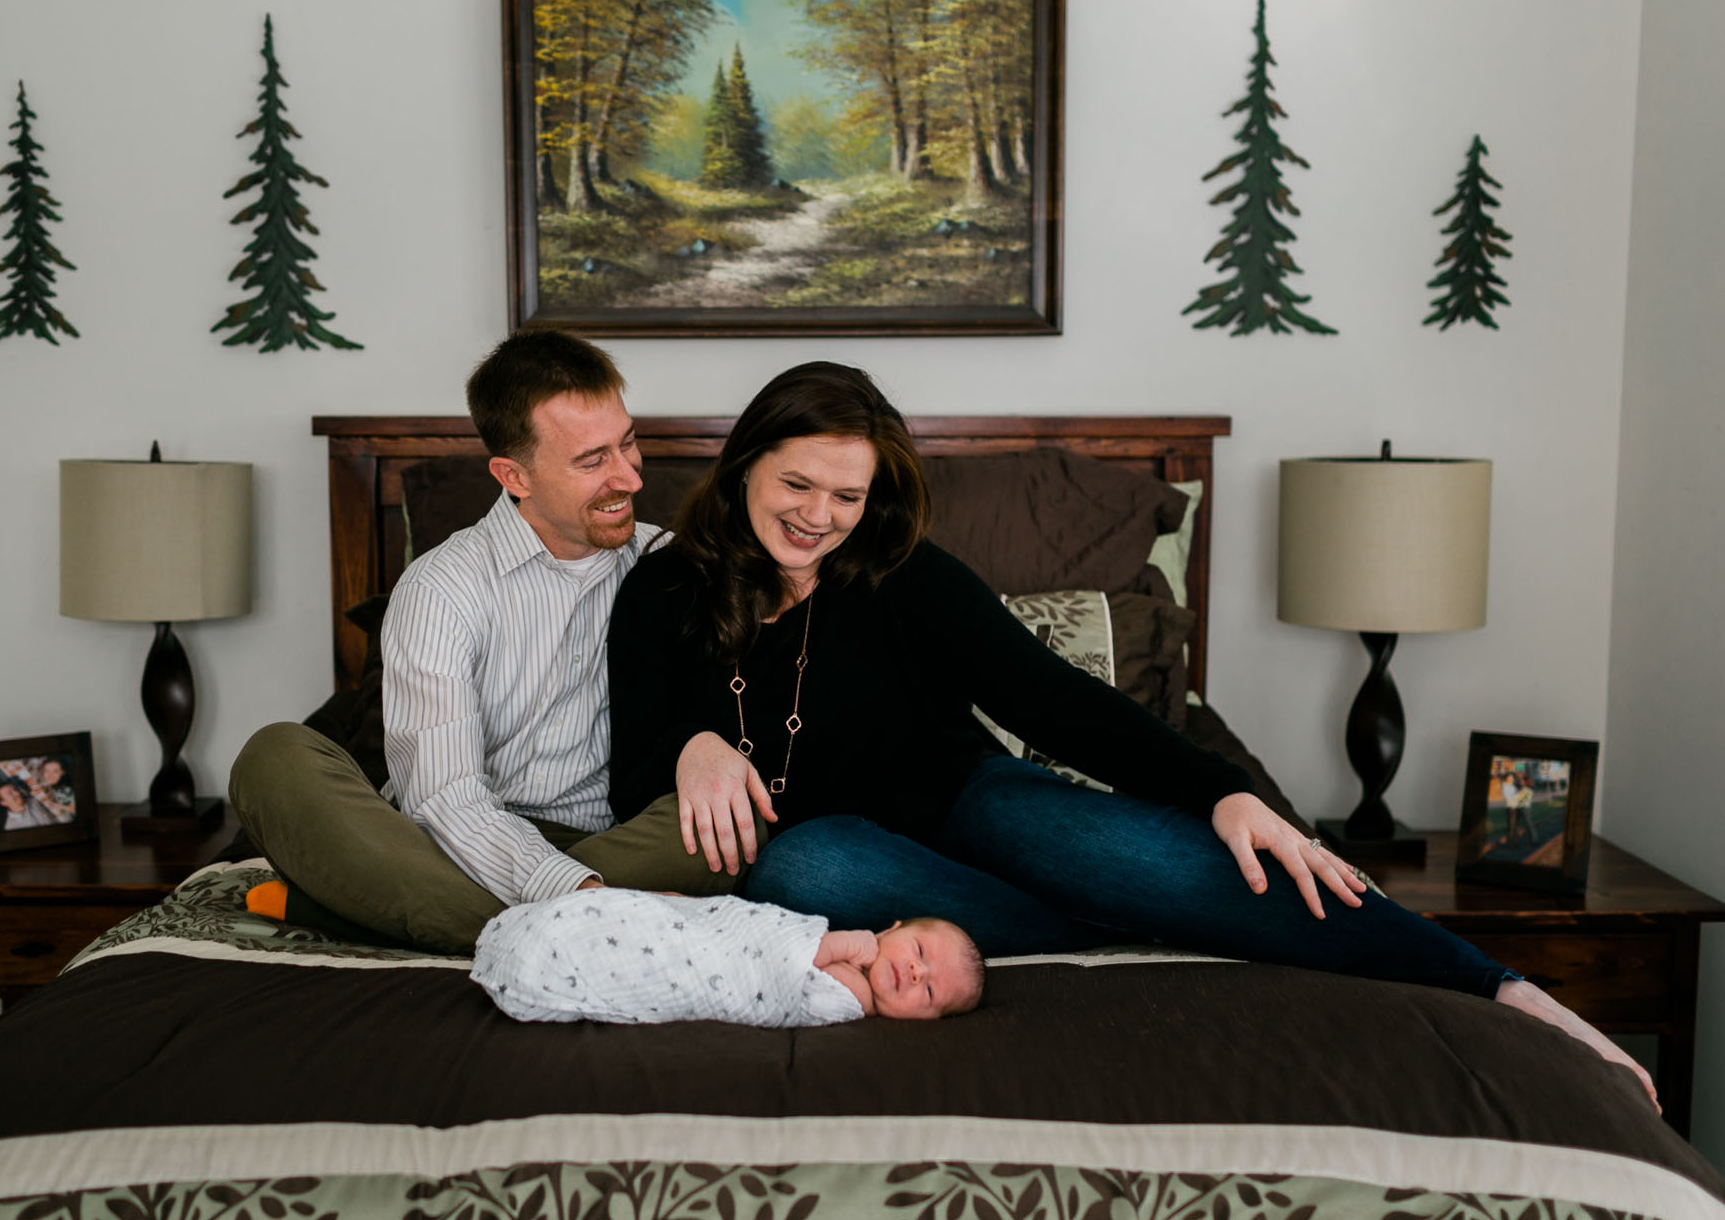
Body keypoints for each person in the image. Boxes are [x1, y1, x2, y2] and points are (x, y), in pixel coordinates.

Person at [604, 361, 1657, 1105]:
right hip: (842, 846)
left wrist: (1219, 791)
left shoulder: (898, 571)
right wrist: (698, 741)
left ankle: (1495, 986)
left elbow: (1055, 701)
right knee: (801, 859)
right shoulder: (659, 591)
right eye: (795, 484)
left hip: (971, 802)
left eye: (846, 493)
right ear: (742, 464)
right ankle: (1128, 916)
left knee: (1140, 847)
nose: (818, 516)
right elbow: (631, 795)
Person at [229, 329, 742, 955]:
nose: (629, 478)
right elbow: (444, 797)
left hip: (617, 845)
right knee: (273, 758)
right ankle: (600, 919)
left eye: (627, 443)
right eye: (591, 461)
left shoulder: (672, 564)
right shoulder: (441, 589)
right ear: (513, 475)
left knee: (733, 829)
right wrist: (577, 895)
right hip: (450, 845)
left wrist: (704, 745)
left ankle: (362, 909)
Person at [472, 887, 983, 1025]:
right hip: (713, 936)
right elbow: (760, 930)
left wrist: (849, 946)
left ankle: (549, 953)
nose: (916, 972)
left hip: (714, 971)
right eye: (919, 950)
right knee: (660, 919)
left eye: (930, 991)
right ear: (892, 927)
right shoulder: (846, 946)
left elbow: (795, 967)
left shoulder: (855, 1000)